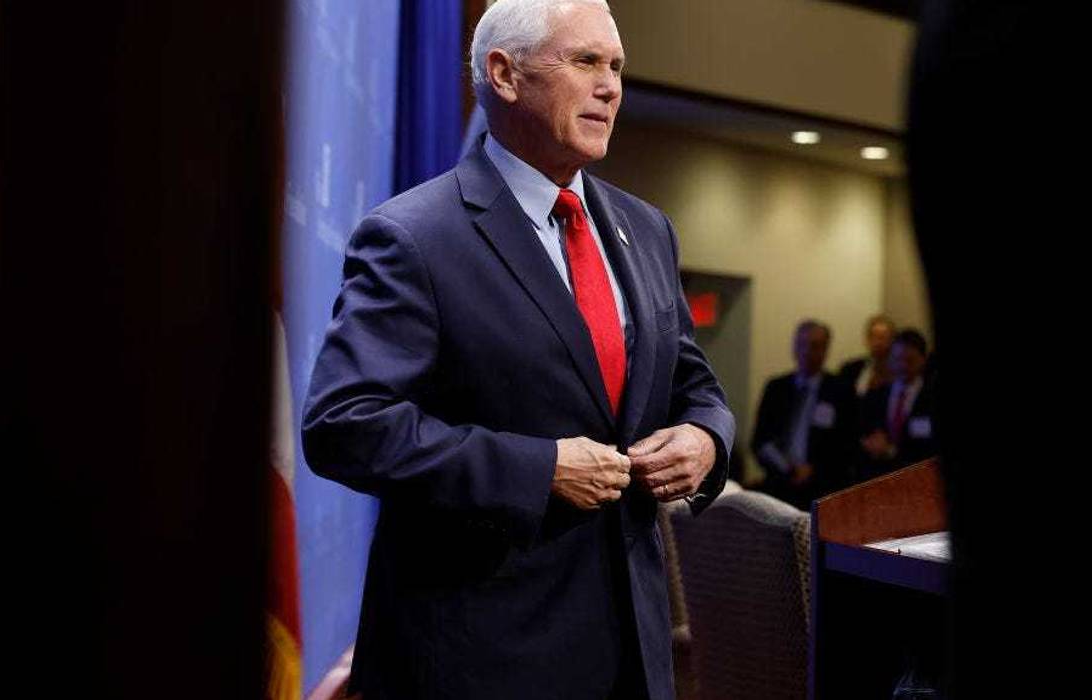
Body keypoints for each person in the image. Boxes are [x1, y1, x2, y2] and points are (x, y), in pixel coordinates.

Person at [300, 1, 734, 698]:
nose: (611, 86)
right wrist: (537, 468)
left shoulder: (645, 228)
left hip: (632, 651)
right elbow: (344, 425)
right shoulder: (413, 236)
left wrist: (706, 439)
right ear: (503, 74)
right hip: (480, 657)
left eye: (617, 66)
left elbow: (694, 384)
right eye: (585, 61)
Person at [750, 320, 857, 509]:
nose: (807, 351)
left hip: (824, 491)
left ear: (826, 350)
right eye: (801, 344)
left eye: (814, 346)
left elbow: (847, 445)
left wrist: (814, 470)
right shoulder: (776, 388)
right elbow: (759, 440)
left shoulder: (841, 391)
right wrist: (786, 468)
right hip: (779, 487)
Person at [859, 328, 936, 480]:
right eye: (897, 359)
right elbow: (860, 433)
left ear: (923, 359)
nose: (902, 366)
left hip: (918, 480)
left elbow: (931, 449)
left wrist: (892, 451)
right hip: (878, 479)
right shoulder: (875, 395)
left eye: (910, 360)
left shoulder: (932, 398)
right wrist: (869, 443)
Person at [838, 314, 897, 397]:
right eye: (874, 337)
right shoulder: (850, 370)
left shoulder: (900, 373)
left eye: (883, 337)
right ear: (867, 340)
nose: (878, 343)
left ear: (893, 341)